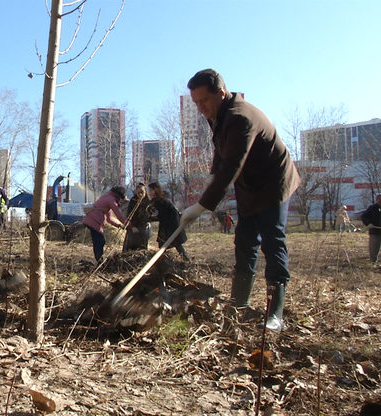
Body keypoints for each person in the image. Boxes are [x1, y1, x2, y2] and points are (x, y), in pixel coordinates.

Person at [179, 69, 301, 332]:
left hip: (273, 183)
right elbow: (221, 157)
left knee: (273, 240)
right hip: (250, 185)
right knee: (245, 241)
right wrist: (210, 184)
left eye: (204, 101)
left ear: (221, 93)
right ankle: (238, 305)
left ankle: (275, 313)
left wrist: (203, 205)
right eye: (196, 103)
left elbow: (231, 165)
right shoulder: (218, 114)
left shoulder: (240, 117)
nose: (200, 108)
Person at [82, 186, 128, 262]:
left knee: (99, 241)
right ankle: (100, 261)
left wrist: (120, 225)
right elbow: (118, 214)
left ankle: (100, 260)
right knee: (100, 241)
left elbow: (109, 219)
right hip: (94, 221)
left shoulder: (107, 198)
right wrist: (128, 225)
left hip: (91, 220)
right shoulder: (111, 200)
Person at [147, 182, 189, 262]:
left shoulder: (162, 201)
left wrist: (149, 218)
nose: (149, 192)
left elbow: (160, 215)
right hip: (167, 225)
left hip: (172, 226)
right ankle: (164, 261)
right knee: (165, 245)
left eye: (150, 190)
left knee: (175, 244)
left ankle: (185, 260)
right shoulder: (157, 201)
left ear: (155, 190)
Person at [360, 193, 381, 265]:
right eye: (380, 199)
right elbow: (363, 217)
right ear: (377, 200)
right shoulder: (372, 208)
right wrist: (368, 223)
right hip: (375, 233)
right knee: (374, 250)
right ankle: (373, 264)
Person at [122, 183, 151, 251]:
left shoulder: (148, 201)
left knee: (142, 247)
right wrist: (132, 227)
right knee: (129, 248)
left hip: (143, 228)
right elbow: (129, 215)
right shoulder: (133, 201)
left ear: (145, 192)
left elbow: (149, 216)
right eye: (138, 193)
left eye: (142, 192)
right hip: (133, 227)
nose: (140, 195)